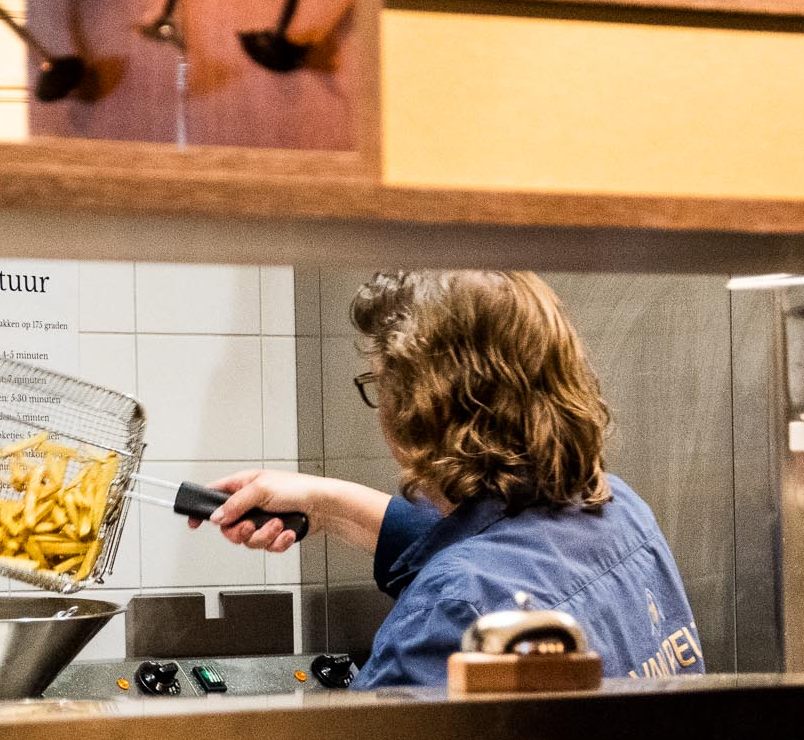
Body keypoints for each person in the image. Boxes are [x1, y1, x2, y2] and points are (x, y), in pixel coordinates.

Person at [193, 268, 704, 688]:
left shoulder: (453, 615)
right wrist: (325, 505)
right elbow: (506, 551)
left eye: (379, 385)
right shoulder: (619, 510)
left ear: (420, 409)